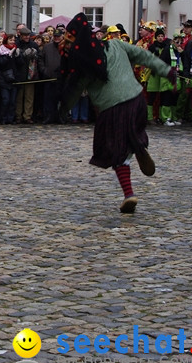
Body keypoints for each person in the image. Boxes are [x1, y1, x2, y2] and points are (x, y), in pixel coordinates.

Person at [60, 13, 176, 214]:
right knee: (130, 134)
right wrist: (166, 70)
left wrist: (61, 110)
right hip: (137, 99)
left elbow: (73, 93)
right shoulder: (116, 45)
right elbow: (143, 55)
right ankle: (138, 145)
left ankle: (129, 194)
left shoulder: (83, 67)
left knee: (115, 150)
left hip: (113, 109)